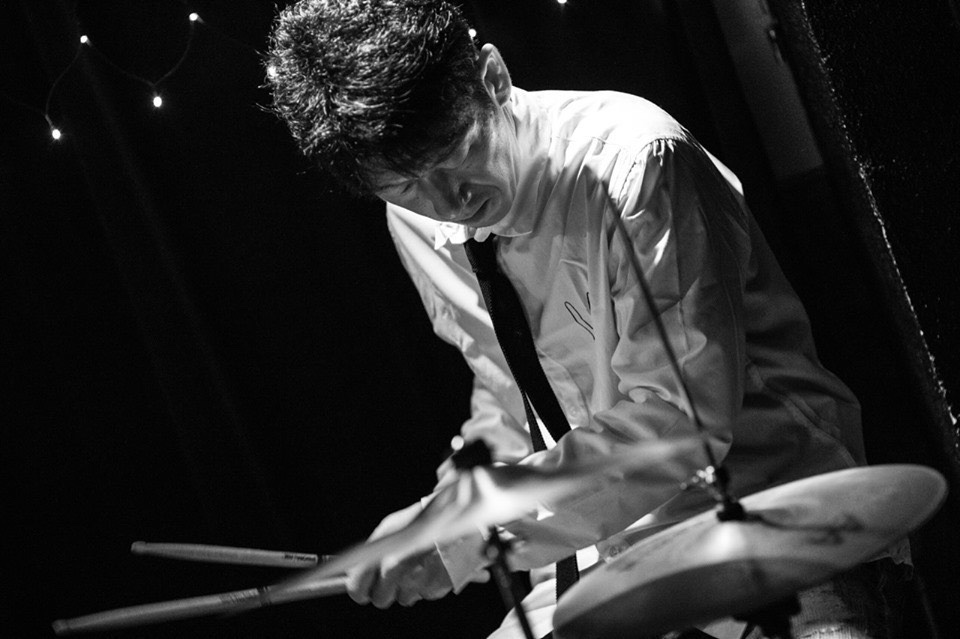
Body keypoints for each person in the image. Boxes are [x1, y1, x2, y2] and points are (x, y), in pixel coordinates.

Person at [265, 1, 907, 637]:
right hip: (603, 555)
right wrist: (443, 511)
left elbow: (679, 422)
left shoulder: (633, 162)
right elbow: (510, 391)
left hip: (765, 511)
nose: (447, 202)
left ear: (493, 78)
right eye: (404, 185)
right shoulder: (414, 221)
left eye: (454, 152)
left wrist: (472, 530)